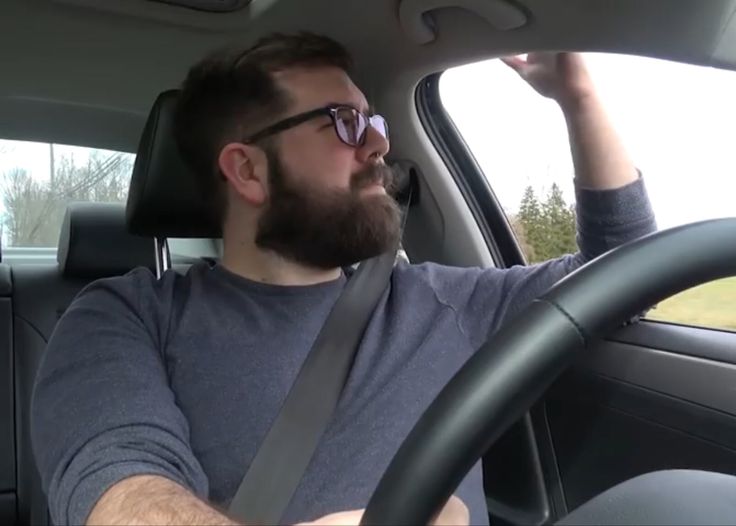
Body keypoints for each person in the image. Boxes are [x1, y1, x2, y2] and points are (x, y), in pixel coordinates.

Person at [31, 33, 656, 526]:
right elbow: (121, 491)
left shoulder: (445, 300)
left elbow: (627, 277)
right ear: (248, 170)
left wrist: (579, 98)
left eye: (375, 124)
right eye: (345, 123)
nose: (379, 146)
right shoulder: (122, 317)